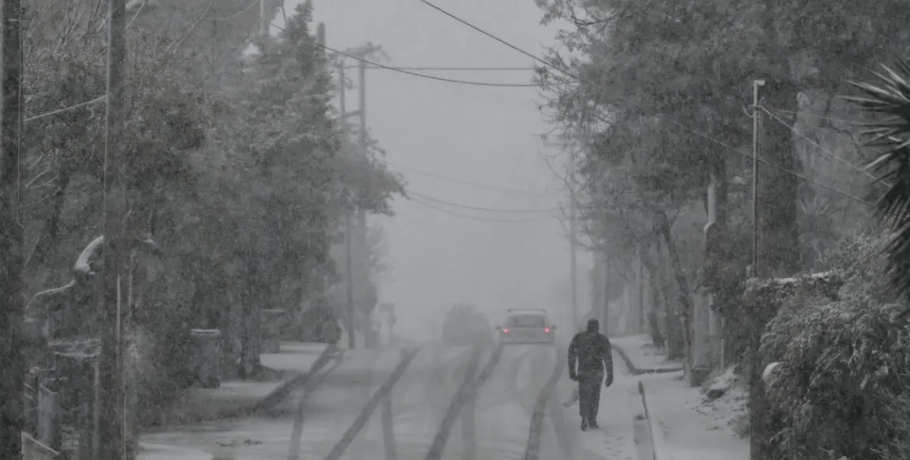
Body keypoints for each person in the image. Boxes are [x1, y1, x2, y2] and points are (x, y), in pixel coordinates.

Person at [567, 318, 614, 431]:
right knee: (594, 396)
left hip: (583, 372)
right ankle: (592, 419)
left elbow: (571, 355)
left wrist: (572, 371)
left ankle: (584, 417)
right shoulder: (602, 340)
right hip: (597, 372)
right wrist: (610, 374)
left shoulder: (579, 338)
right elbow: (608, 358)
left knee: (584, 396)